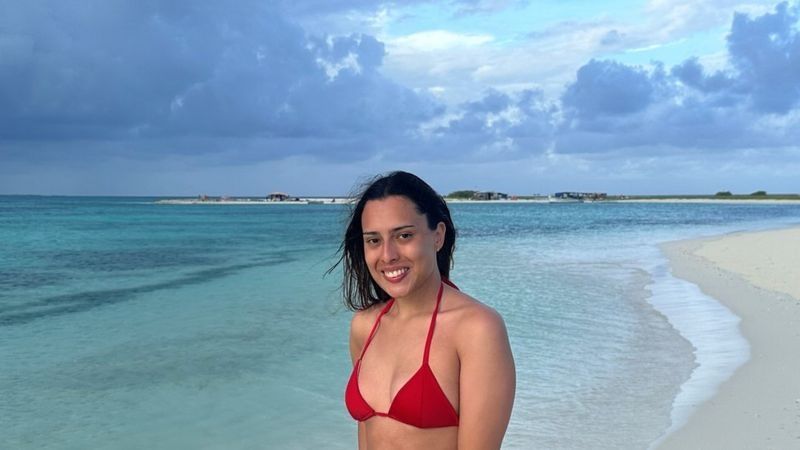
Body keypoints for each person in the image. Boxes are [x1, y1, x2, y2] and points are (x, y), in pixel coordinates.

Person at [333, 171, 515, 450]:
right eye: (374, 240)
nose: (387, 255)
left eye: (404, 235)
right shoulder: (365, 326)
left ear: (437, 236)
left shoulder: (476, 329)